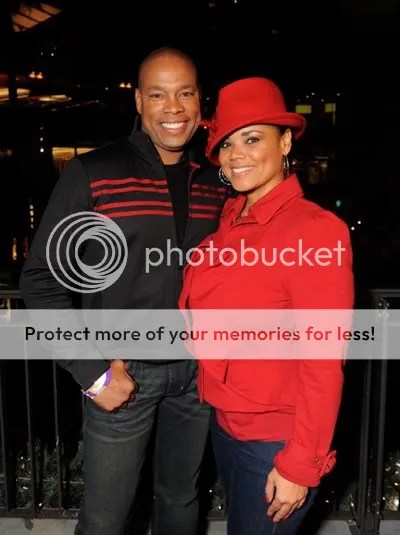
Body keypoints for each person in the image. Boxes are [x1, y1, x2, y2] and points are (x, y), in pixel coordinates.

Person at [20, 47, 228, 535]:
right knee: (105, 519)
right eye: (157, 94)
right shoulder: (95, 172)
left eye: (184, 93)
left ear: (200, 99)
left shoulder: (216, 181)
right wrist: (91, 373)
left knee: (181, 501)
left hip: (197, 375)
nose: (173, 108)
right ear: (138, 101)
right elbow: (40, 280)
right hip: (123, 372)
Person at [179, 77, 354, 535]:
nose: (236, 154)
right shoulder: (232, 218)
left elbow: (323, 361)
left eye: (253, 139)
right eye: (227, 143)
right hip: (226, 424)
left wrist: (301, 462)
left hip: (275, 441)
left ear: (286, 142)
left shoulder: (314, 230)